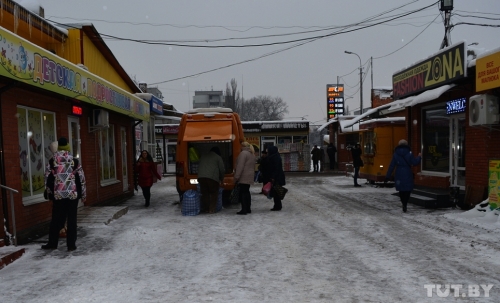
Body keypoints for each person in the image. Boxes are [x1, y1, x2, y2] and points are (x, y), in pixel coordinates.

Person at [42, 137, 86, 252]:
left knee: (56, 219)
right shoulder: (74, 161)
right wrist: (84, 194)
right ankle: (71, 245)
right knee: (72, 219)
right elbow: (81, 178)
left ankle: (52, 243)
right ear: (67, 146)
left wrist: (49, 192)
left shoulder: (52, 161)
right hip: (72, 194)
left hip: (59, 194)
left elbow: (47, 177)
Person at [384, 139, 422, 213]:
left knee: (401, 190)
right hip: (407, 172)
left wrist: (387, 176)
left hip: (398, 173)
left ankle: (403, 203)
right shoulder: (409, 153)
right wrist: (419, 157)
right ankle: (405, 203)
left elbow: (391, 166)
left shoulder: (395, 154)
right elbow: (414, 162)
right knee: (408, 189)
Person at [197, 146, 225, 214]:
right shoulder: (218, 157)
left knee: (204, 193)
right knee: (214, 193)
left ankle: (206, 209)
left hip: (201, 177)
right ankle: (211, 209)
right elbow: (222, 169)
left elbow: (199, 166)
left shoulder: (203, 156)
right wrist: (221, 178)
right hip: (212, 178)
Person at [234, 142, 255, 215]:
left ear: (242, 146)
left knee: (243, 193)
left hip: (243, 176)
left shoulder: (243, 153)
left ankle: (244, 209)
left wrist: (237, 176)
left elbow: (240, 166)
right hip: (249, 176)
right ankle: (248, 208)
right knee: (247, 192)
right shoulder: (251, 153)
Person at [267, 146, 286, 211]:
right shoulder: (276, 156)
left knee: (276, 192)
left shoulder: (275, 158)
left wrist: (273, 177)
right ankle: (277, 205)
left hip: (277, 177)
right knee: (276, 191)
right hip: (278, 177)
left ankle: (277, 206)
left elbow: (276, 169)